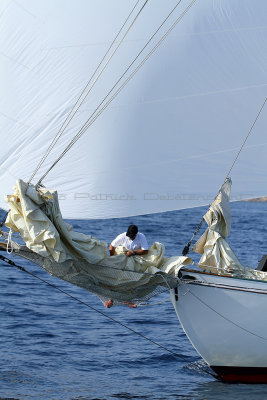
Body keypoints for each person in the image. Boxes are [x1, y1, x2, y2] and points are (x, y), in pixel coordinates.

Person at [105, 225, 149, 309]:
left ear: (136, 234)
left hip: (135, 260)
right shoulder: (123, 236)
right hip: (123, 258)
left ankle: (128, 300)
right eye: (129, 236)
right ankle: (111, 300)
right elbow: (112, 246)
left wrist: (133, 253)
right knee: (115, 278)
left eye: (132, 236)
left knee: (132, 280)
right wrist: (112, 258)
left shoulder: (141, 236)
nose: (130, 237)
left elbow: (145, 250)